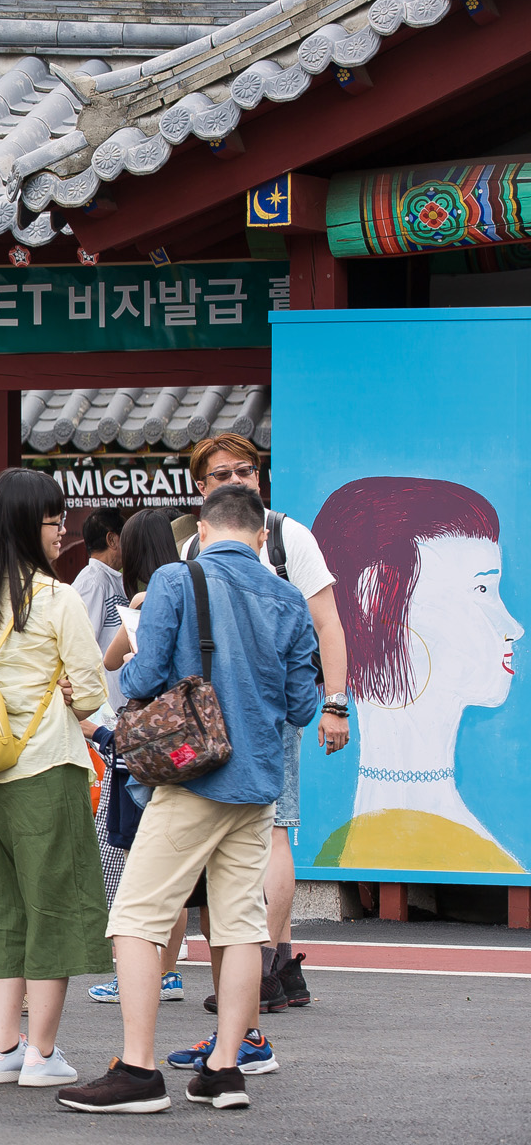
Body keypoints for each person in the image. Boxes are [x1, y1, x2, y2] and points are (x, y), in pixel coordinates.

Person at [57, 484, 323, 1114]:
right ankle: (226, 1070)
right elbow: (303, 704)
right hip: (258, 786)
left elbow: (144, 680)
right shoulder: (287, 597)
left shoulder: (178, 580)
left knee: (135, 919)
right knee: (238, 929)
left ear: (201, 530)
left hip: (192, 777)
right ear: (261, 537)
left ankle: (139, 1071)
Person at [181, 432, 349, 1011]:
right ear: (199, 488)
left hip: (274, 704)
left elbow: (328, 623)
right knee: (238, 831)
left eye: (244, 471)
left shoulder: (286, 534)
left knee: (273, 827)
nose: (235, 482)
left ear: (261, 477)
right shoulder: (192, 544)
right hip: (209, 711)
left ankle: (268, 965)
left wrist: (335, 703)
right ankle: (278, 967)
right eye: (220, 474)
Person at [0, 467, 109, 1089]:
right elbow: (93, 691)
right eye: (55, 520)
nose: (63, 530)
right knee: (54, 906)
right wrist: (75, 689)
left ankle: (2, 1047)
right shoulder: (56, 598)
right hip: (44, 767)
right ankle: (42, 1055)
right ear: (29, 524)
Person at [315, 477, 517, 871]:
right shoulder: (466, 852)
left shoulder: (341, 847)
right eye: (482, 591)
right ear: (376, 597)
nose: (512, 627)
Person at [85, 508, 189, 1006]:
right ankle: (170, 970)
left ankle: (146, 973)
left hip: (143, 742)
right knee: (174, 866)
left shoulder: (147, 602)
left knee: (137, 865)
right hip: (182, 743)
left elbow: (112, 662)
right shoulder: (194, 592)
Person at [72, 507, 127, 702]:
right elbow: (82, 645)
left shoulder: (111, 579)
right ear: (112, 540)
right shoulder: (92, 582)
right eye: (125, 537)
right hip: (105, 706)